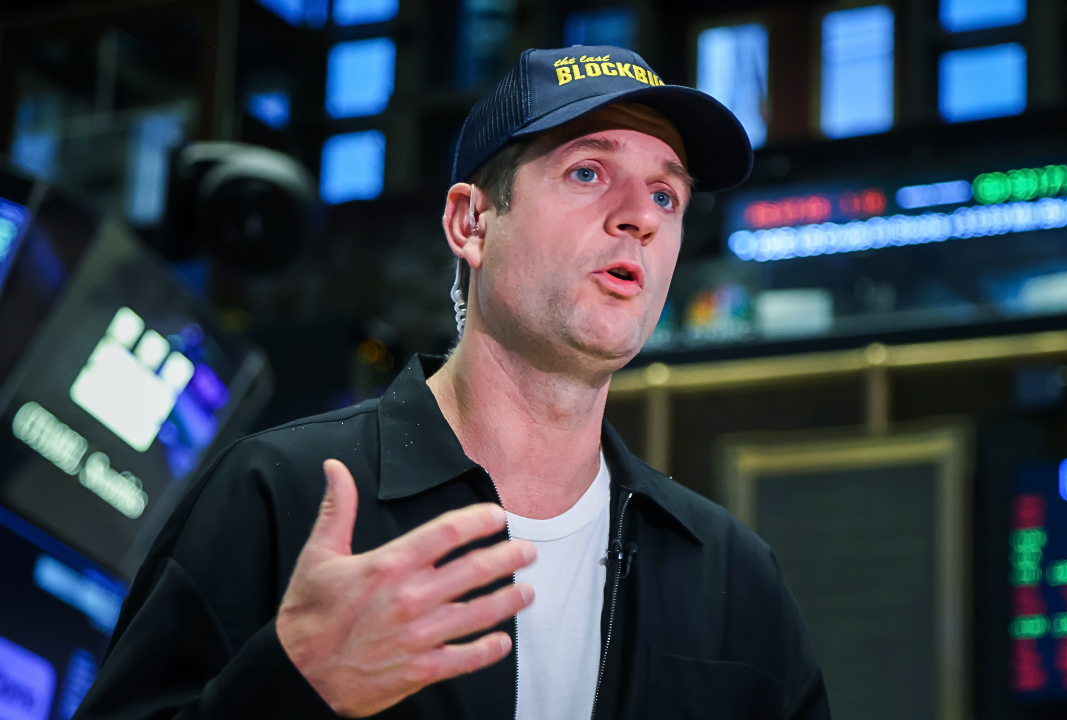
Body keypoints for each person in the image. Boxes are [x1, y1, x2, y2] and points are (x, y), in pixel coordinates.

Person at [77, 45, 829, 720]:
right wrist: (292, 690)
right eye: (588, 172)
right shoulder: (279, 493)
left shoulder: (733, 579)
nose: (640, 217)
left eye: (666, 196)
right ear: (471, 222)